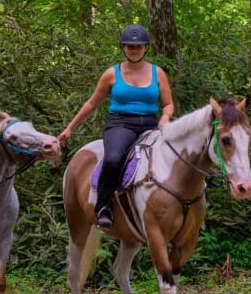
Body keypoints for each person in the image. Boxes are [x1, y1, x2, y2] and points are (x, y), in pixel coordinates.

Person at [58, 25, 174, 229]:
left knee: (175, 156)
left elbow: (168, 104)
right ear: (123, 48)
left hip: (150, 124)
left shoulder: (158, 73)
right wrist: (70, 127)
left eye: (138, 47)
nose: (134, 50)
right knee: (113, 159)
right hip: (121, 124)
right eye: (130, 46)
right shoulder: (112, 74)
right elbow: (92, 103)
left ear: (145, 48)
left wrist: (165, 117)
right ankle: (103, 207)